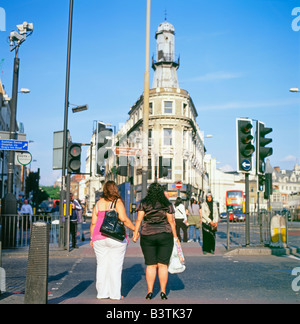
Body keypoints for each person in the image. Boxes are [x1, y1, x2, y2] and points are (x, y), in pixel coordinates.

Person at [90, 181, 136, 300]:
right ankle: (114, 294)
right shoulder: (117, 202)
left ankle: (102, 293)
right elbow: (124, 219)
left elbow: (93, 223)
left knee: (101, 266)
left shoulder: (99, 203)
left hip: (98, 237)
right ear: (115, 189)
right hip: (115, 238)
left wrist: (92, 238)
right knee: (115, 266)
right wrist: (135, 229)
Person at [133, 183, 177, 300]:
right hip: (164, 234)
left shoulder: (144, 203)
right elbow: (171, 222)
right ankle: (163, 292)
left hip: (148, 235)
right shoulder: (166, 203)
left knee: (151, 265)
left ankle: (150, 292)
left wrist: (135, 233)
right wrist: (175, 237)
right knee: (163, 265)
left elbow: (139, 220)